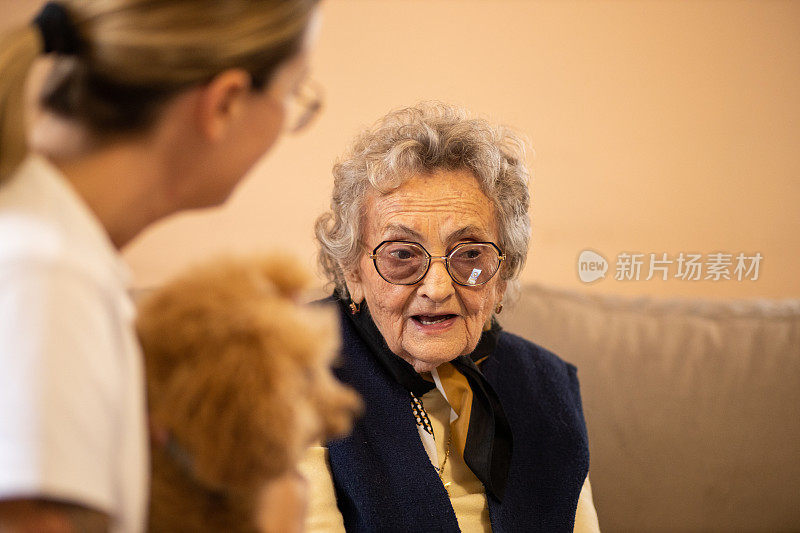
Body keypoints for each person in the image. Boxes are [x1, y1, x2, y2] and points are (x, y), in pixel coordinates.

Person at [0, 1, 322, 531]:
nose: (290, 120)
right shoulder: (49, 278)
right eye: (293, 94)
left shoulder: (54, 255)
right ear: (226, 103)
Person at [306, 102, 601, 532]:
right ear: (353, 271)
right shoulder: (291, 367)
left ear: (502, 276)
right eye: (403, 255)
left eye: (470, 255)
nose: (438, 288)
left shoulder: (546, 387)